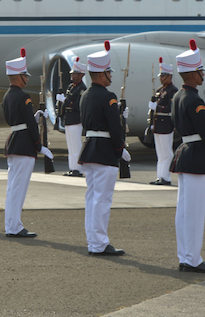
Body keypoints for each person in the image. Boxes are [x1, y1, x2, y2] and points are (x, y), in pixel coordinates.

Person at [170, 39, 205, 273]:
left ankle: (186, 256)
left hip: (185, 154)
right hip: (197, 158)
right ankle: (192, 259)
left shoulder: (178, 97)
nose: (202, 74)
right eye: (200, 71)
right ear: (192, 74)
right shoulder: (194, 99)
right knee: (194, 213)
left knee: (184, 211)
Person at [78, 41, 130, 256]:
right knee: (102, 200)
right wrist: (120, 149)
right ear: (102, 74)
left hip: (90, 149)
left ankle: (94, 241)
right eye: (109, 72)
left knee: (92, 199)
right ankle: (99, 244)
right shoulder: (108, 96)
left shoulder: (85, 95)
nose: (110, 76)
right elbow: (115, 128)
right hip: (104, 151)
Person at [1, 48, 53, 237]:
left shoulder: (7, 96)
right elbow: (30, 125)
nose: (27, 79)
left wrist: (32, 115)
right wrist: (39, 145)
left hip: (14, 143)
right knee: (19, 189)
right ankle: (14, 227)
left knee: (12, 188)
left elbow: (17, 118)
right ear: (18, 76)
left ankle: (11, 225)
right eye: (25, 75)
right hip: (24, 145)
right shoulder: (23, 97)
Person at [148, 57, 178, 185]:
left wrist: (157, 107)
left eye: (163, 76)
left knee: (167, 153)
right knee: (160, 153)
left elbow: (171, 109)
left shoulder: (173, 91)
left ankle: (166, 178)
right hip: (158, 126)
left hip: (166, 125)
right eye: (161, 76)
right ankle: (160, 176)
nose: (160, 78)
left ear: (169, 76)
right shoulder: (160, 90)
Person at [56, 57, 87, 177]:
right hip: (68, 120)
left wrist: (64, 100)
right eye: (72, 73)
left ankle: (78, 169)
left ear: (81, 75)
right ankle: (72, 167)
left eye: (75, 73)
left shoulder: (82, 88)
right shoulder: (71, 87)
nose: (72, 75)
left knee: (76, 145)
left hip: (75, 120)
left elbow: (78, 105)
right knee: (70, 146)